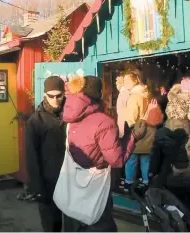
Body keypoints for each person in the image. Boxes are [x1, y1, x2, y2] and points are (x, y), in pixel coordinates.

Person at [62, 75, 146, 232]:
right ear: (98, 93)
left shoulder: (70, 118)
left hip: (75, 184)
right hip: (97, 186)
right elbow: (117, 161)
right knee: (101, 224)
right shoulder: (104, 122)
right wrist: (132, 137)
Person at [149, 84, 190, 225]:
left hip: (170, 181)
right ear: (186, 110)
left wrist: (152, 175)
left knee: (173, 216)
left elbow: (154, 161)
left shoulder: (160, 132)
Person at [25, 76, 66, 232]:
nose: (55, 99)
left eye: (58, 95)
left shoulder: (72, 114)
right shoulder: (36, 120)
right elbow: (31, 156)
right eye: (51, 95)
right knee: (51, 225)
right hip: (48, 182)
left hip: (71, 179)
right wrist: (37, 187)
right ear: (44, 94)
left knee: (73, 224)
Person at [123, 71, 150, 190]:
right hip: (148, 132)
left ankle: (129, 183)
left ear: (135, 81)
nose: (125, 83)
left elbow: (131, 118)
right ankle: (146, 182)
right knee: (145, 159)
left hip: (136, 132)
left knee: (131, 159)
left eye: (127, 81)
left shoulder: (134, 97)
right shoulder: (146, 94)